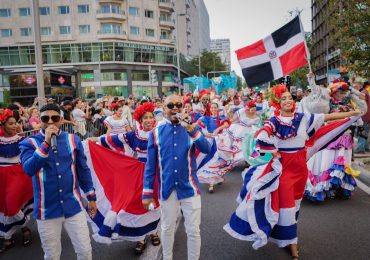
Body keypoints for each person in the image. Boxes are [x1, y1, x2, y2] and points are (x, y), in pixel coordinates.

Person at [224, 84, 361, 259]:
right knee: (287, 208)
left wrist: (351, 114)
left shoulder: (303, 118)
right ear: (277, 103)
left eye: (290, 97)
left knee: (294, 207)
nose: (288, 100)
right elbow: (261, 137)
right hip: (284, 170)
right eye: (283, 98)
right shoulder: (273, 122)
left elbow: (329, 116)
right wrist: (274, 151)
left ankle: (287, 238)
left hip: (300, 170)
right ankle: (292, 247)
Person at [19, 103, 97, 260]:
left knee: (85, 251)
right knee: (52, 255)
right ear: (39, 120)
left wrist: (91, 197)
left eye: (54, 118)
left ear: (61, 120)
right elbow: (28, 169)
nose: (50, 122)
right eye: (45, 118)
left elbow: (83, 171)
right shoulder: (29, 143)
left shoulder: (73, 139)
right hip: (46, 210)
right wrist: (46, 143)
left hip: (73, 206)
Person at [142, 95, 211, 260]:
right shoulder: (156, 132)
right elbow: (150, 166)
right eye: (170, 105)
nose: (175, 108)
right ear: (164, 109)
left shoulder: (191, 128)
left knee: (193, 230)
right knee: (166, 228)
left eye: (179, 105)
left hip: (190, 188)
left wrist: (192, 129)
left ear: (183, 107)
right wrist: (147, 193)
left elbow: (206, 148)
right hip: (167, 189)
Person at [90, 102, 160, 254]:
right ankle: (141, 237)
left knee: (155, 203)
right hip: (138, 175)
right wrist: (91, 141)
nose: (149, 120)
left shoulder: (159, 133)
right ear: (140, 120)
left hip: (156, 174)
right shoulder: (133, 135)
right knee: (138, 204)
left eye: (151, 117)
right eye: (145, 118)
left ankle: (154, 232)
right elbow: (112, 139)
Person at [0, 109, 33, 254]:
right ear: (3, 125)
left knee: (14, 204)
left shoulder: (21, 140)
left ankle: (24, 226)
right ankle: (9, 236)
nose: (14, 126)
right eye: (11, 123)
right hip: (2, 176)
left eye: (16, 123)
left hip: (17, 175)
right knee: (3, 206)